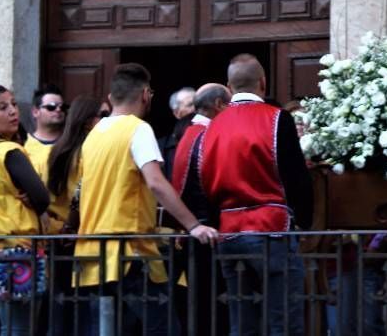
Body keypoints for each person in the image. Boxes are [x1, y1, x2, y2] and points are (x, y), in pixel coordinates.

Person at [74, 63, 217, 335]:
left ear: (111, 97)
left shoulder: (95, 134)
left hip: (93, 252)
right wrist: (193, 225)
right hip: (129, 252)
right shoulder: (138, 129)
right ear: (144, 94)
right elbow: (156, 183)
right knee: (163, 328)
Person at [200, 54, 313, 336]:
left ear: (229, 86)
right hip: (271, 229)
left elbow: (205, 179)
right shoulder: (277, 119)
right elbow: (295, 175)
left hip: (228, 232)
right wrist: (304, 220)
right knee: (283, 319)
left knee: (242, 321)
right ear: (263, 82)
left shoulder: (213, 126)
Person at [0, 85, 51, 336]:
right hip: (19, 252)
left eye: (13, 104)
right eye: (3, 107)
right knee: (20, 328)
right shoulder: (9, 151)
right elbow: (42, 198)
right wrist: (35, 198)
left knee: (6, 326)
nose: (13, 111)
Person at [171, 83, 231, 335]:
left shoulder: (192, 131)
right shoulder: (206, 134)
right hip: (207, 232)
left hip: (197, 230)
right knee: (210, 308)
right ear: (218, 105)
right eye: (229, 105)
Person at [44, 96, 105, 336]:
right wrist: (71, 225)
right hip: (79, 235)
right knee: (86, 312)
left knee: (63, 310)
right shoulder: (89, 153)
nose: (107, 121)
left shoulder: (58, 151)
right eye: (103, 115)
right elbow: (81, 194)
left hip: (60, 239)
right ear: (89, 121)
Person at [23, 83, 66, 181]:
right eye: (51, 107)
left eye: (62, 107)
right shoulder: (23, 146)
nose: (58, 110)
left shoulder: (72, 143)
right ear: (35, 112)